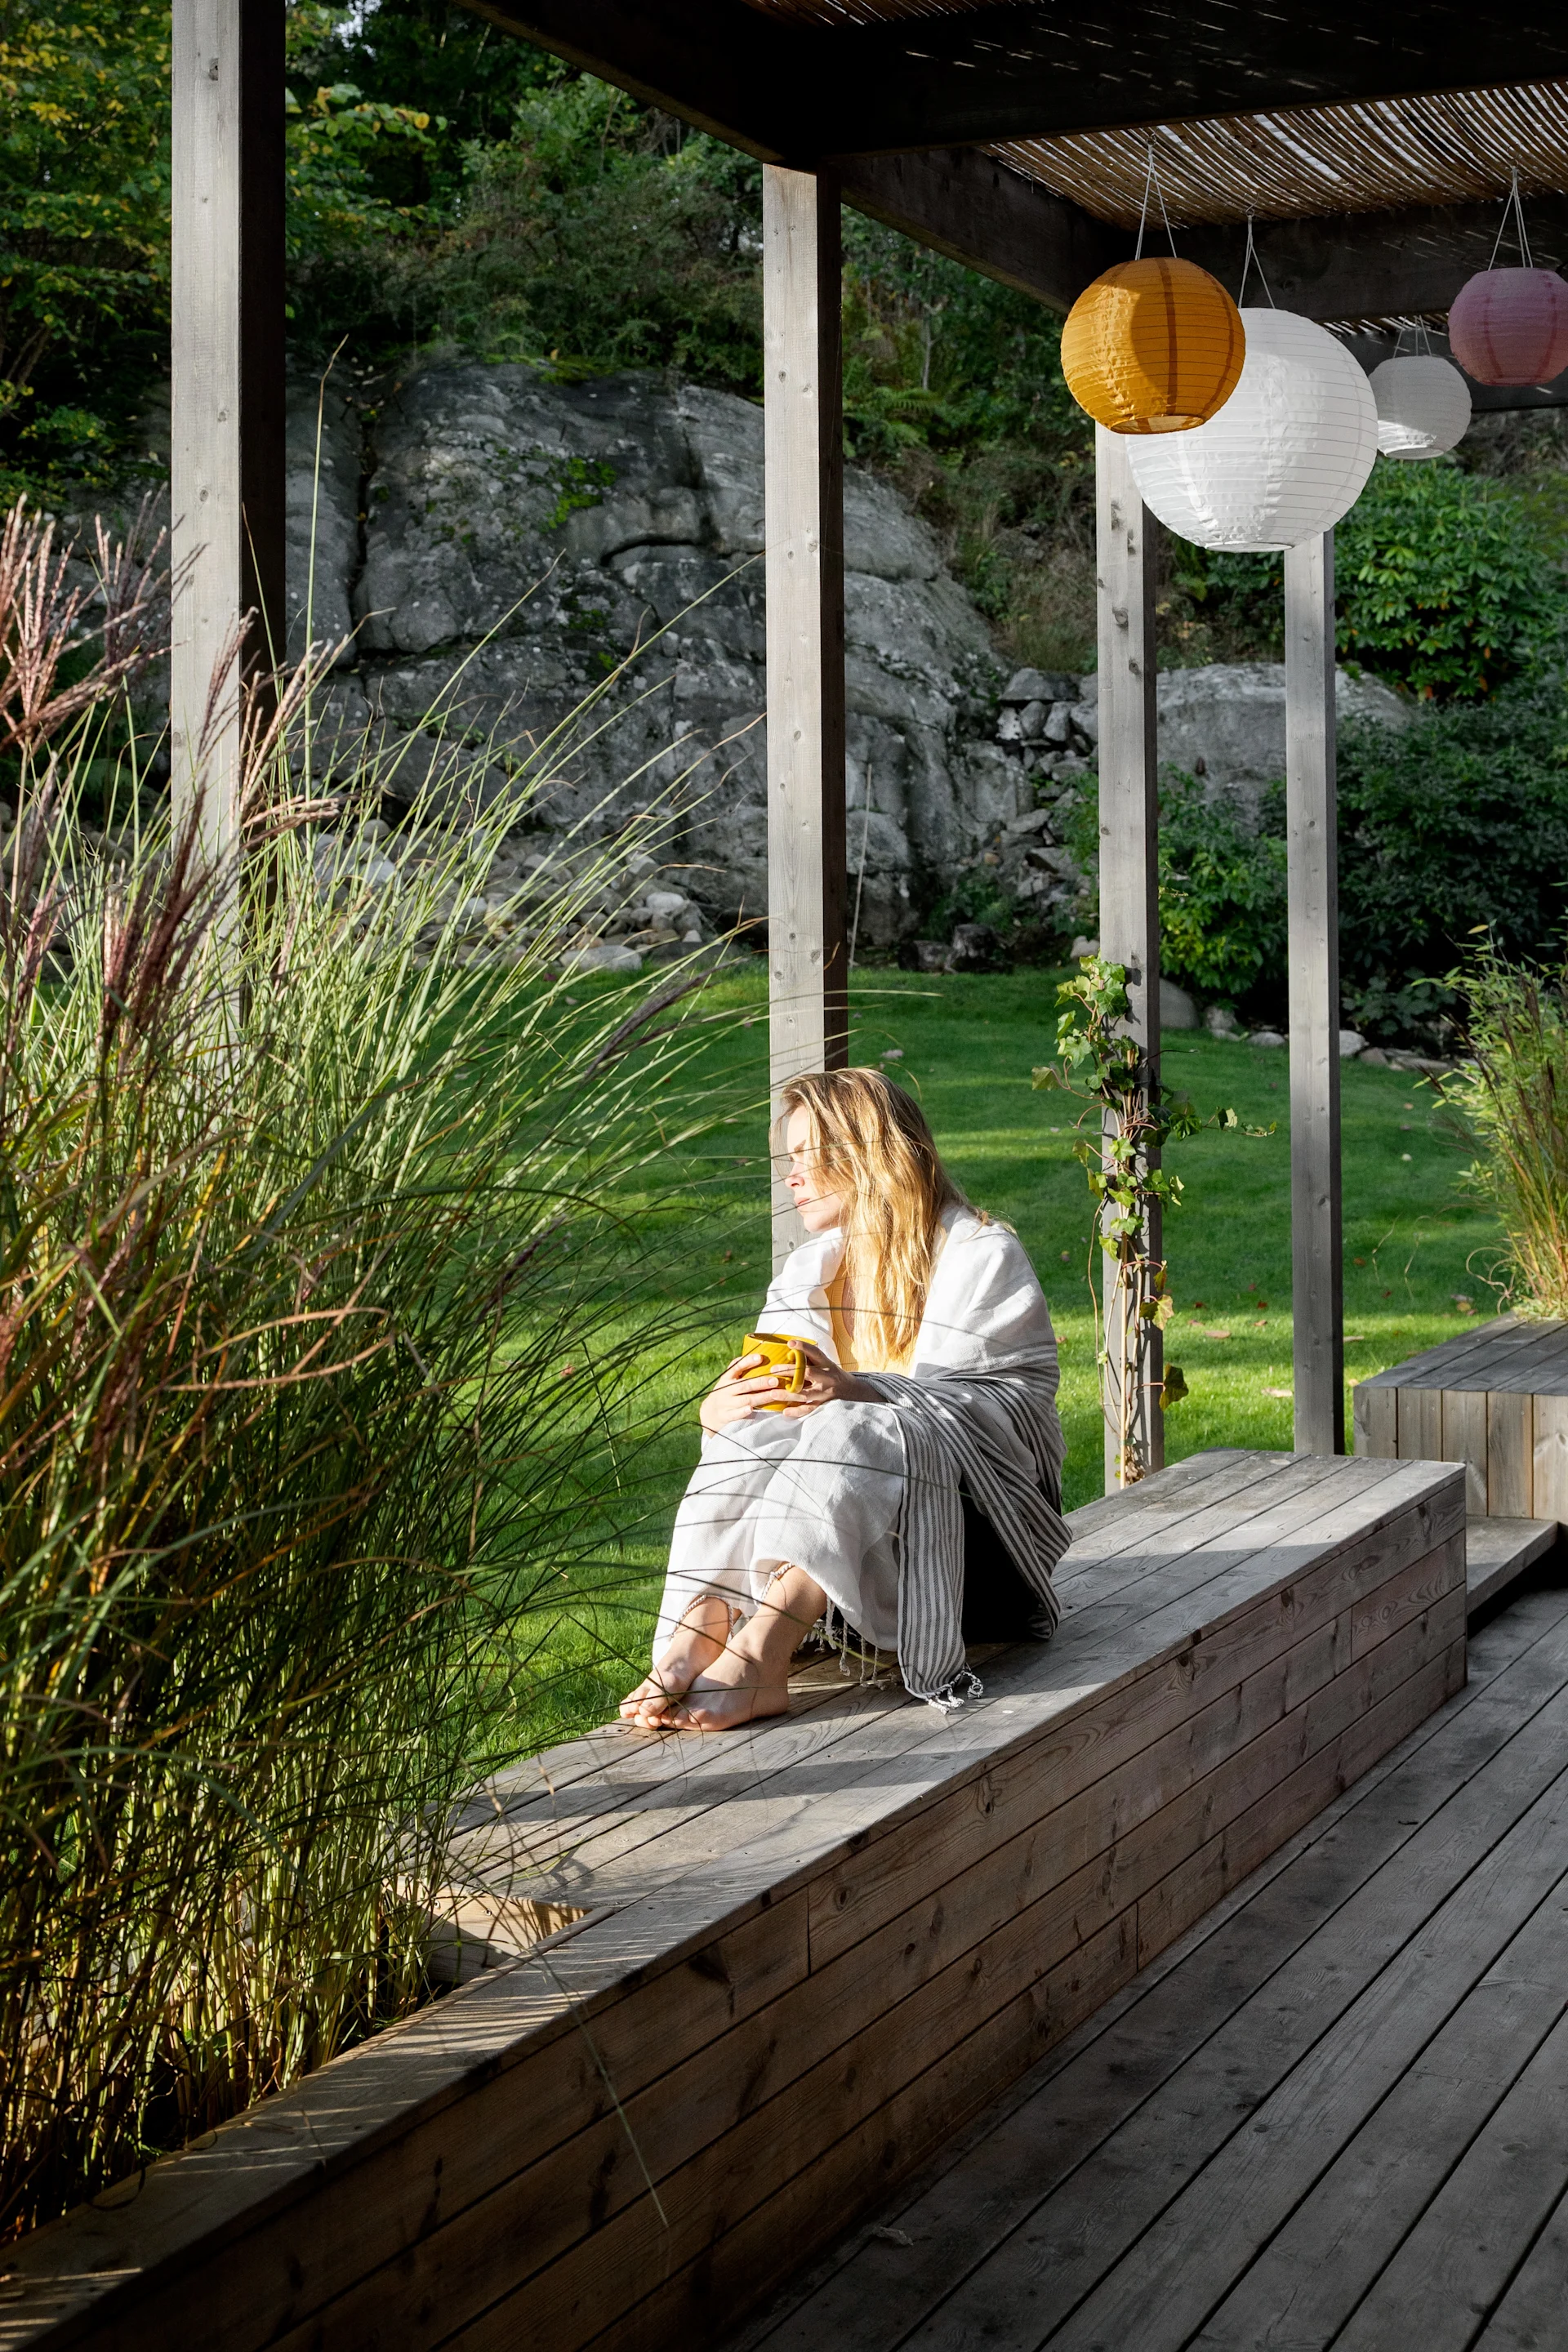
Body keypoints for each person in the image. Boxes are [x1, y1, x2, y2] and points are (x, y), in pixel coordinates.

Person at [620, 1067, 1069, 1734]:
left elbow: (1013, 1426)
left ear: (866, 1158)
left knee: (856, 1427)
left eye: (809, 1158)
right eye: (789, 1159)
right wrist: (721, 1410)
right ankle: (704, 1624)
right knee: (753, 1431)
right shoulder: (809, 1272)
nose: (790, 1177)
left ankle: (762, 1657)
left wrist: (866, 1391)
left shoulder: (981, 1255)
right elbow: (764, 1423)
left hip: (973, 1562)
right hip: (848, 1575)